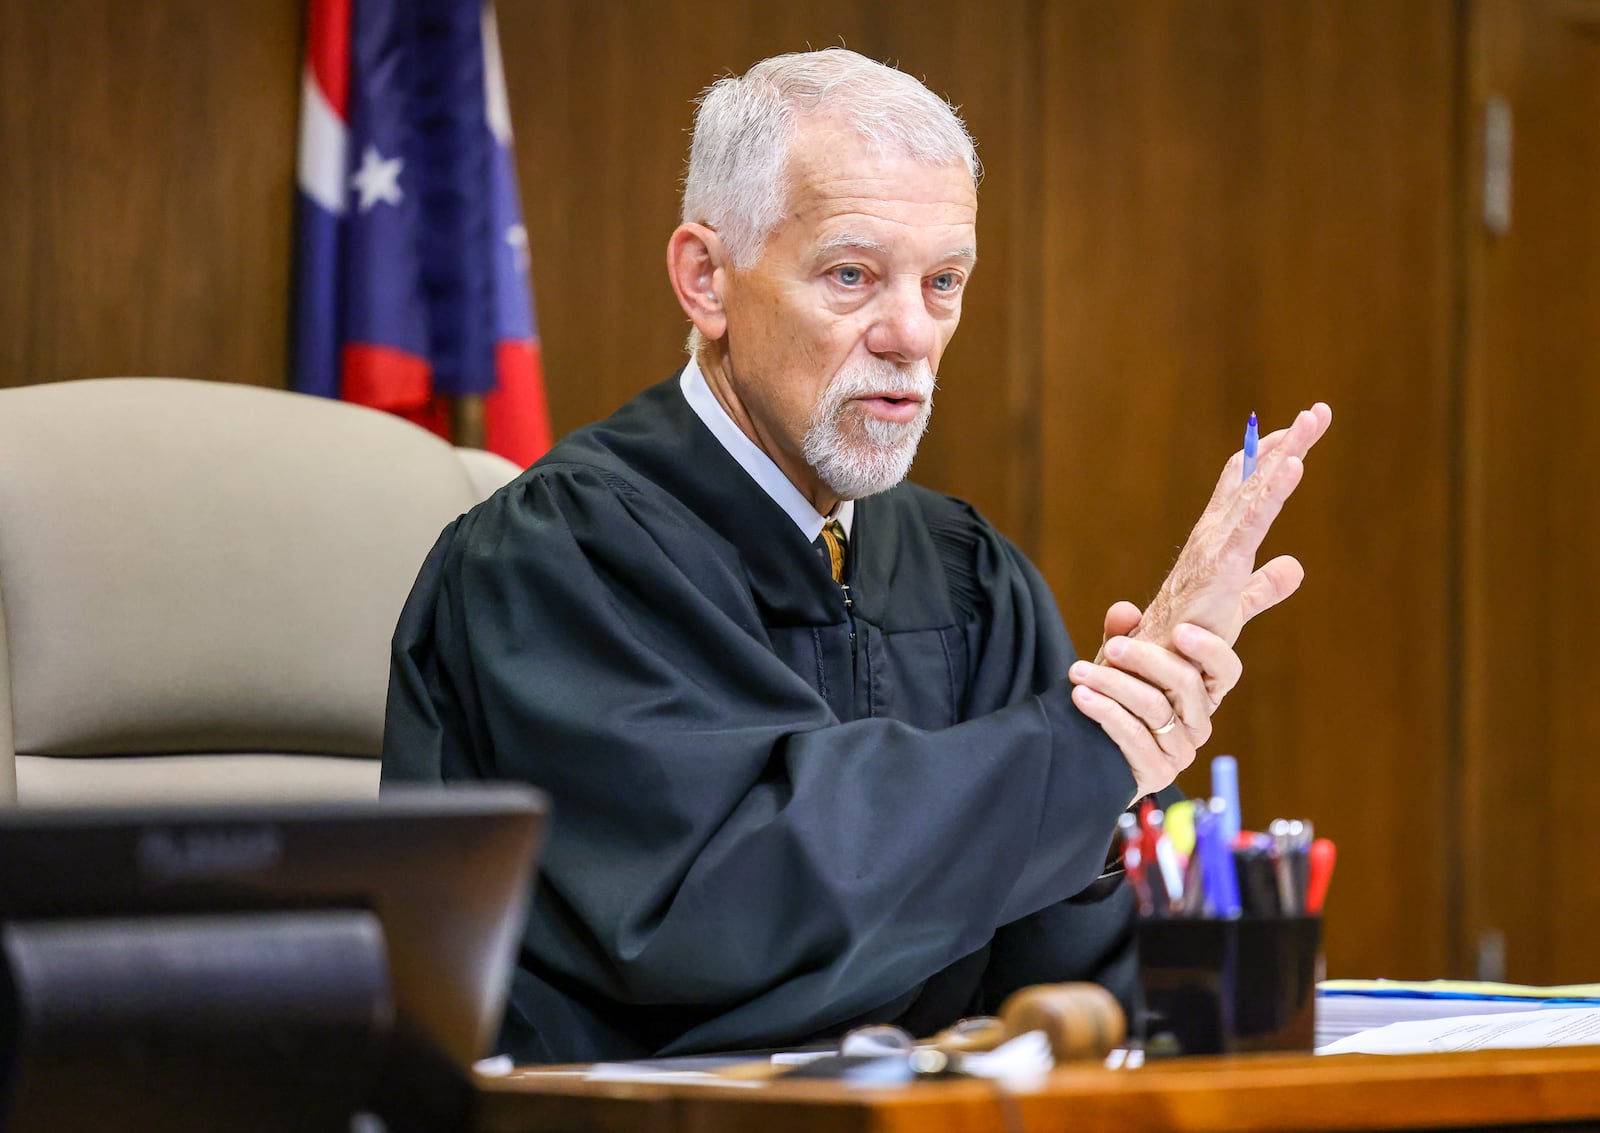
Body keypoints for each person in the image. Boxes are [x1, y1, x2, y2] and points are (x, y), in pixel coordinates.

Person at [382, 48, 1332, 1064]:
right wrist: (1085, 753)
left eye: (943, 281)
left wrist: (1124, 767)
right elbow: (727, 914)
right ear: (706, 280)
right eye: (852, 275)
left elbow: (1067, 978)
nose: (911, 334)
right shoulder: (556, 558)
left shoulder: (966, 573)